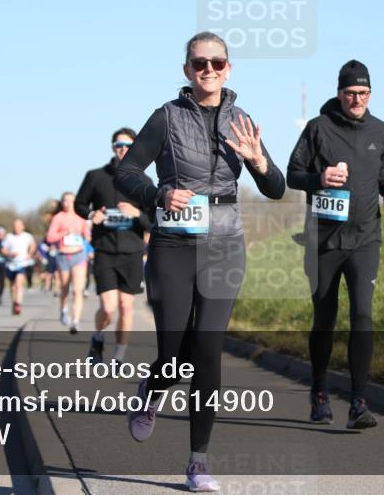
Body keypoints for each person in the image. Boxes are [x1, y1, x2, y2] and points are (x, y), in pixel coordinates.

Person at [115, 31, 285, 492]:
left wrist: (260, 163)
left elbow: (276, 189)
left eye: (216, 62)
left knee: (208, 350)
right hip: (172, 243)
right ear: (187, 70)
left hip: (224, 245)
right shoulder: (165, 117)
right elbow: (126, 173)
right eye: (199, 63)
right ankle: (151, 394)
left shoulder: (242, 121)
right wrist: (159, 193)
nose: (208, 70)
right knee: (173, 353)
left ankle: (198, 462)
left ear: (229, 68)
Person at [287, 60, 384, 429]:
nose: (357, 100)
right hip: (324, 239)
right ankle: (319, 392)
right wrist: (320, 177)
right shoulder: (317, 129)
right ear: (339, 93)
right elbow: (292, 174)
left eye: (364, 94)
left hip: (366, 238)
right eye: (351, 93)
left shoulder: (380, 130)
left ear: (371, 94)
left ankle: (358, 402)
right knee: (325, 318)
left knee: (363, 315)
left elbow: (377, 168)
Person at [75, 127, 154, 366]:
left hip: (132, 251)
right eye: (119, 145)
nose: (123, 149)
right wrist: (91, 215)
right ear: (112, 148)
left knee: (126, 306)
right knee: (108, 308)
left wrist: (137, 213)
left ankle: (119, 355)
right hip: (105, 249)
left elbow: (153, 220)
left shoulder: (144, 181)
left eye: (128, 146)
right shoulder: (96, 176)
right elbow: (79, 204)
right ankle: (98, 339)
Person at [46, 192, 91, 334]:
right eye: (65, 201)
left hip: (79, 255)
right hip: (63, 256)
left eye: (70, 201)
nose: (67, 203)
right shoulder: (58, 218)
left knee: (78, 290)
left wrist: (87, 240)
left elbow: (88, 235)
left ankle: (75, 322)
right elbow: (50, 237)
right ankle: (63, 309)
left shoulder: (80, 216)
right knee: (64, 288)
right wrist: (64, 233)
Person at [2, 218, 35, 315]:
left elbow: (33, 245)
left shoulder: (27, 236)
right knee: (12, 286)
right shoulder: (9, 237)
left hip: (22, 263)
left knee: (19, 283)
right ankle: (14, 301)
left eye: (18, 226)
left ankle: (18, 304)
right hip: (11, 264)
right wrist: (10, 254)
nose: (16, 228)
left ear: (22, 227)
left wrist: (29, 254)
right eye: (15, 226)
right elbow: (3, 250)